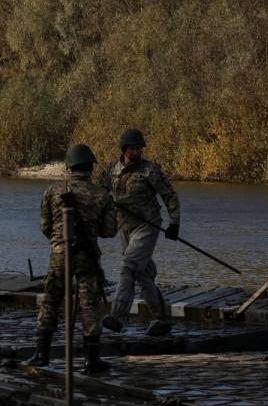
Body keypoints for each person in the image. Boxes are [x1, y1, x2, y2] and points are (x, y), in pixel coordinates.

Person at [26, 144, 117, 374]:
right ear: (90, 167)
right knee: (90, 305)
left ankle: (41, 354)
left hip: (59, 254)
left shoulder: (52, 191)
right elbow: (109, 231)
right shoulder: (102, 195)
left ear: (69, 166)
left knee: (51, 301)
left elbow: (44, 226)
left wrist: (58, 241)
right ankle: (91, 360)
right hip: (88, 256)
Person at [99, 128, 180, 337]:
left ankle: (117, 317)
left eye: (139, 148)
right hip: (124, 227)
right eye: (132, 148)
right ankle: (161, 319)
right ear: (124, 149)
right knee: (143, 275)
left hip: (147, 226)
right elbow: (98, 192)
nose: (136, 151)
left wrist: (174, 223)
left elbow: (169, 196)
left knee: (128, 268)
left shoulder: (150, 170)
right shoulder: (111, 170)